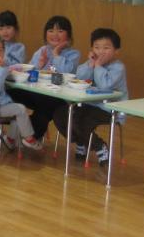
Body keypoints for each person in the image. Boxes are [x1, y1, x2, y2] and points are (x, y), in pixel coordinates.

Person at [51, 28, 128, 164]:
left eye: (106, 48)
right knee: (60, 114)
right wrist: (91, 64)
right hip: (89, 104)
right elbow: (80, 78)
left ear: (116, 51)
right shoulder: (92, 63)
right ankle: (81, 141)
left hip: (109, 109)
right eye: (97, 47)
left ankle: (99, 146)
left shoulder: (118, 67)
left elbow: (105, 85)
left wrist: (98, 66)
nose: (101, 51)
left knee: (81, 120)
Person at [8, 15, 81, 144]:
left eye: (60, 31)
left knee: (48, 104)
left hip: (57, 97)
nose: (55, 35)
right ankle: (17, 129)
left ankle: (31, 136)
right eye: (51, 30)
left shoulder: (74, 54)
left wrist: (56, 53)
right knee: (11, 91)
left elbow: (66, 72)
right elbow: (28, 74)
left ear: (68, 35)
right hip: (37, 93)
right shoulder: (42, 50)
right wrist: (39, 65)